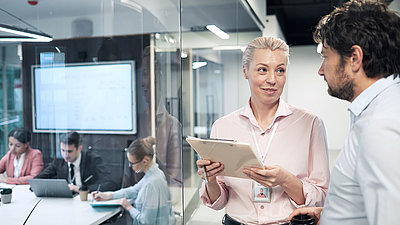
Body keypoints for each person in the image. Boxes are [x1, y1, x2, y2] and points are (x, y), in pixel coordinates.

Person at [196, 36, 330, 224]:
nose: (272, 80)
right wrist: (210, 180)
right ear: (245, 71)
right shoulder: (223, 126)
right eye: (262, 70)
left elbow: (321, 196)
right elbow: (219, 201)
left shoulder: (310, 124)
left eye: (280, 70)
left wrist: (285, 180)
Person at [288, 1, 400, 224]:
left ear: (354, 59)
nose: (321, 71)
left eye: (325, 57)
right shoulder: (381, 108)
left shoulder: (379, 126)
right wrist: (331, 213)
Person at [93, 136, 176, 225]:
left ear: (145, 161)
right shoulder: (155, 174)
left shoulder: (151, 183)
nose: (129, 165)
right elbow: (134, 190)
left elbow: (146, 222)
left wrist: (128, 207)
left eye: (132, 163)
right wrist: (108, 195)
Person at [36, 131, 117, 192]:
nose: (65, 155)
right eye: (63, 150)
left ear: (80, 148)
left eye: (69, 151)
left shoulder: (93, 160)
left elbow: (110, 183)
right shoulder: (59, 161)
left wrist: (82, 189)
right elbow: (38, 180)